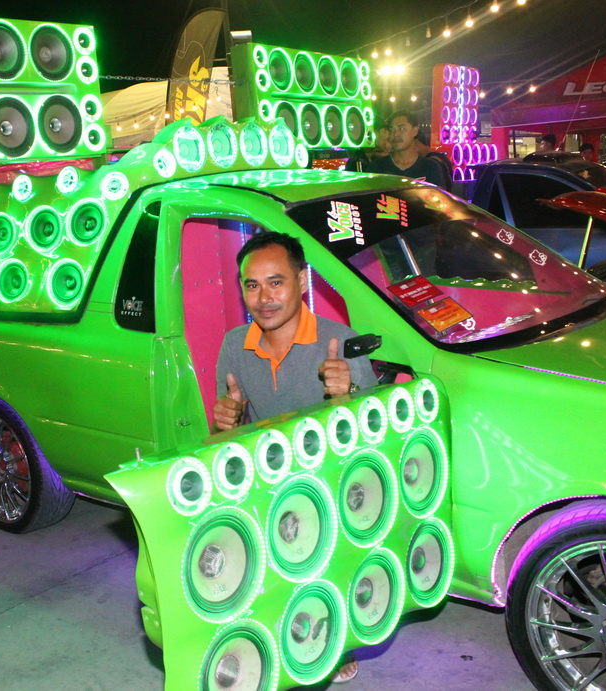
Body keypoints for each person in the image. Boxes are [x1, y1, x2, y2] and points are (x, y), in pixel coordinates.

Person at [213, 231, 376, 683]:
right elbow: (232, 432)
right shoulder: (234, 345)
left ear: (302, 282)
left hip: (331, 480)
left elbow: (372, 434)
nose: (264, 298)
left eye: (276, 282)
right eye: (252, 285)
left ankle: (336, 636)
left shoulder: (340, 341)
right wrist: (227, 421)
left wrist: (348, 393)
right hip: (270, 481)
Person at [365, 111, 448, 188]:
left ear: (415, 131)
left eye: (401, 128)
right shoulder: (377, 168)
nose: (396, 134)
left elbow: (438, 198)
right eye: (392, 129)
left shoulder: (430, 168)